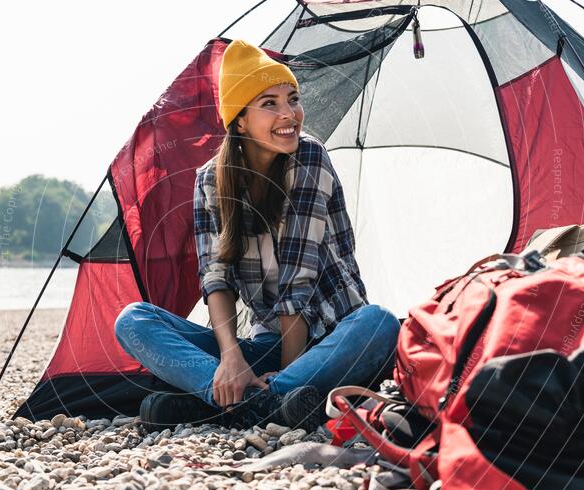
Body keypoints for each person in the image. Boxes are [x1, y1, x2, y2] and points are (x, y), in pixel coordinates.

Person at [115, 39, 400, 432]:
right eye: (269, 103)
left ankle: (231, 403)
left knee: (381, 323)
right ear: (241, 120)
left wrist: (288, 371)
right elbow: (216, 276)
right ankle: (257, 401)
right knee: (134, 321)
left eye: (292, 98)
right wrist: (232, 358)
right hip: (265, 346)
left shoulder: (309, 157)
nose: (289, 114)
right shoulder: (209, 181)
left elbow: (295, 285)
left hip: (332, 342)